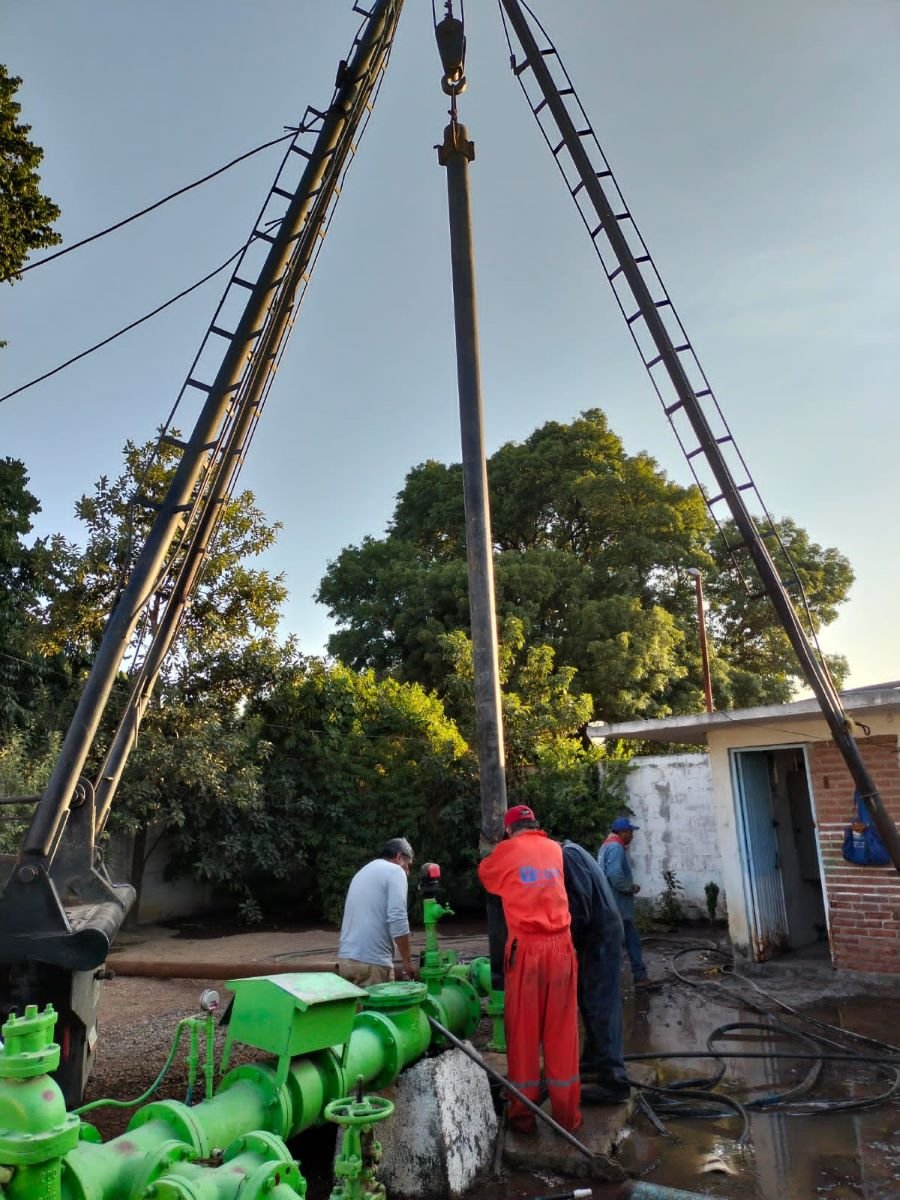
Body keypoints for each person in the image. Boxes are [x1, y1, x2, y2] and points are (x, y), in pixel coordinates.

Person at [478, 804, 582, 1135]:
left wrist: (495, 847)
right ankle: (567, 1117)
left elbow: (486, 874)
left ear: (509, 830)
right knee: (562, 1034)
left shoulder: (505, 852)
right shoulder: (555, 849)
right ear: (535, 824)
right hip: (564, 947)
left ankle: (523, 1117)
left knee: (523, 1035)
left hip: (528, 950)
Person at [562, 840, 630, 1103]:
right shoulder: (574, 850)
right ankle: (592, 1060)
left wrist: (568, 942)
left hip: (600, 938)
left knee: (600, 1005)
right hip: (602, 934)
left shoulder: (567, 857)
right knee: (589, 999)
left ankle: (614, 1082)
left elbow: (580, 908)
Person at [337, 837, 418, 986]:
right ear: (399, 857)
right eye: (408, 865)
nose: (408, 872)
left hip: (346, 961)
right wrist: (407, 961)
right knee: (382, 1009)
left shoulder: (363, 871)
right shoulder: (395, 871)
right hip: (371, 964)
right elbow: (398, 917)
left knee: (357, 1009)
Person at [598, 817, 649, 987]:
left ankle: (634, 976)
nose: (632, 836)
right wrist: (630, 888)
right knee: (627, 942)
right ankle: (638, 977)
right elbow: (615, 875)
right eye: (631, 832)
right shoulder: (616, 847)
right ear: (623, 832)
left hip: (611, 904)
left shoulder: (606, 846)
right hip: (619, 905)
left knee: (620, 942)